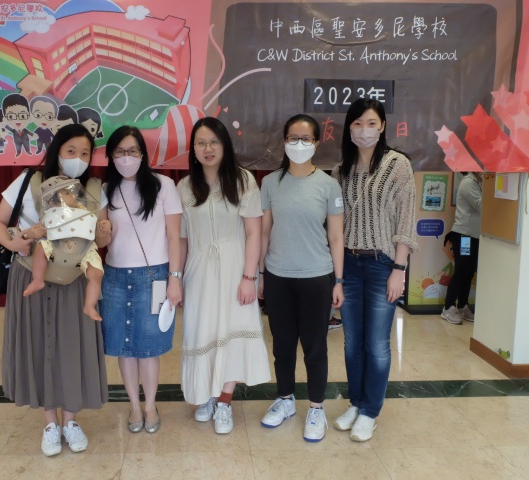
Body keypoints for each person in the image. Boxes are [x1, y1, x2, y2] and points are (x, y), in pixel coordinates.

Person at [0, 123, 111, 456]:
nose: (77, 158)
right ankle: (49, 424)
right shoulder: (29, 181)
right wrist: (14, 243)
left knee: (72, 346)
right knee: (38, 344)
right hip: (33, 272)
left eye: (84, 153)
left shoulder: (95, 188)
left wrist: (105, 231)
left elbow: (101, 240)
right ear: (57, 150)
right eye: (71, 151)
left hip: (75, 278)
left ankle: (70, 421)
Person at [331, 98, 418, 442]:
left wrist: (399, 268)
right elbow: (336, 227)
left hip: (383, 264)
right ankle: (355, 403)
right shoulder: (340, 170)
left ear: (382, 126)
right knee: (352, 342)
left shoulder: (398, 165)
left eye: (370, 123)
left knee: (377, 344)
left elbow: (406, 221)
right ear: (349, 128)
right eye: (357, 123)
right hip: (349, 264)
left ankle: (370, 412)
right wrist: (337, 275)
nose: (364, 130)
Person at [177, 117, 271, 435]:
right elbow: (181, 239)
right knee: (201, 331)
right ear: (193, 149)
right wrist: (177, 277)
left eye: (214, 142)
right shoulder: (184, 188)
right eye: (201, 143)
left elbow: (254, 233)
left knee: (232, 332)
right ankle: (206, 394)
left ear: (225, 145)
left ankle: (225, 401)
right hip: (199, 270)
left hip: (235, 268)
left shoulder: (243, 181)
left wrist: (249, 277)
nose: (208, 148)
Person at [258, 114, 345, 443]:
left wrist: (339, 281)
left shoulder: (328, 185)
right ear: (284, 141)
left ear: (316, 143)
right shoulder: (270, 183)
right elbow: (264, 232)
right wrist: (260, 273)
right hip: (278, 276)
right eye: (292, 138)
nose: (298, 144)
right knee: (282, 346)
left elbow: (336, 237)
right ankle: (285, 400)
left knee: (314, 347)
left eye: (305, 139)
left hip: (316, 277)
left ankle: (317, 408)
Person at [100, 125, 182, 434]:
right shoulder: (105, 189)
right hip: (115, 276)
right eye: (120, 151)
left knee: (149, 346)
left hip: (155, 276)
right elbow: (100, 241)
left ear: (143, 154)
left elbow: (174, 236)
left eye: (132, 151)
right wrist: (100, 231)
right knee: (124, 346)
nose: (126, 157)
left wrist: (175, 278)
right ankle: (134, 406)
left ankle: (150, 406)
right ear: (111, 155)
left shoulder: (163, 186)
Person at [22, 175, 107, 321]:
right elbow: (37, 230)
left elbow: (95, 227)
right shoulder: (51, 214)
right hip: (57, 245)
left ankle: (89, 305)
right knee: (41, 247)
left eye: (72, 191)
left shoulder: (84, 210)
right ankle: (37, 279)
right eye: (67, 193)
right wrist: (31, 234)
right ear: (52, 201)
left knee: (97, 274)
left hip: (85, 248)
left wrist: (103, 228)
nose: (73, 195)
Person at [441, 172, 482, 325]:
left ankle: (462, 306)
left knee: (469, 272)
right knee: (461, 270)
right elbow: (481, 205)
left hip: (475, 236)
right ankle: (448, 307)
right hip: (464, 236)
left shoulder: (478, 182)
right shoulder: (468, 182)